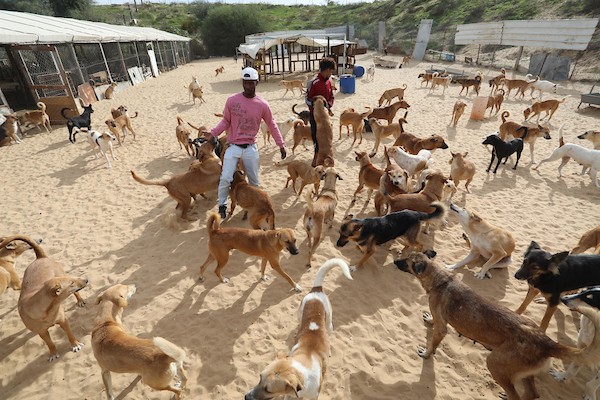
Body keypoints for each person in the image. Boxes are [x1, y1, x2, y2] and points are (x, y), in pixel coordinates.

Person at [210, 67, 287, 220]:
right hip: (233, 146)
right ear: (243, 82)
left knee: (254, 181)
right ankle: (222, 206)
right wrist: (213, 133)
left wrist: (281, 144)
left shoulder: (262, 104)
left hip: (251, 147)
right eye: (246, 82)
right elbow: (225, 121)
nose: (248, 86)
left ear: (256, 83)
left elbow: (272, 124)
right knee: (226, 178)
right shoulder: (232, 101)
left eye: (251, 83)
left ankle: (253, 206)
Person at [305, 57, 335, 167]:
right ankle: (316, 162)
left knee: (327, 141)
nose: (330, 73)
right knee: (317, 141)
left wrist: (327, 105)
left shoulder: (329, 81)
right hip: (315, 117)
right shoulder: (313, 82)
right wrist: (317, 105)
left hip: (327, 118)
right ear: (326, 70)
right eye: (330, 71)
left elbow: (331, 97)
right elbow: (307, 99)